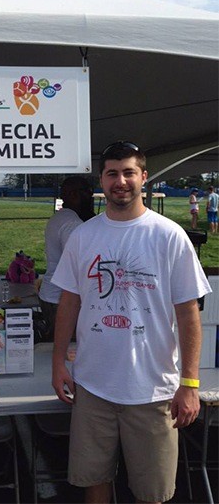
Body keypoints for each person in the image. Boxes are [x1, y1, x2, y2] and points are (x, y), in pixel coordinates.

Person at [51, 142, 211, 504]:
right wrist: (59, 361)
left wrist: (189, 382)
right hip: (92, 387)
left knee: (152, 493)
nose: (120, 181)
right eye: (112, 174)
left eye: (128, 172)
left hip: (153, 391)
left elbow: (188, 313)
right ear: (101, 181)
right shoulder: (84, 236)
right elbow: (69, 301)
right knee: (93, 481)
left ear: (144, 177)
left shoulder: (168, 235)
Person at [38, 176, 95, 340]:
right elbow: (80, 264)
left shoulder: (61, 217)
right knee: (70, 349)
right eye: (86, 192)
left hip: (53, 295)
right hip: (61, 299)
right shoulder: (72, 223)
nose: (90, 196)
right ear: (72, 194)